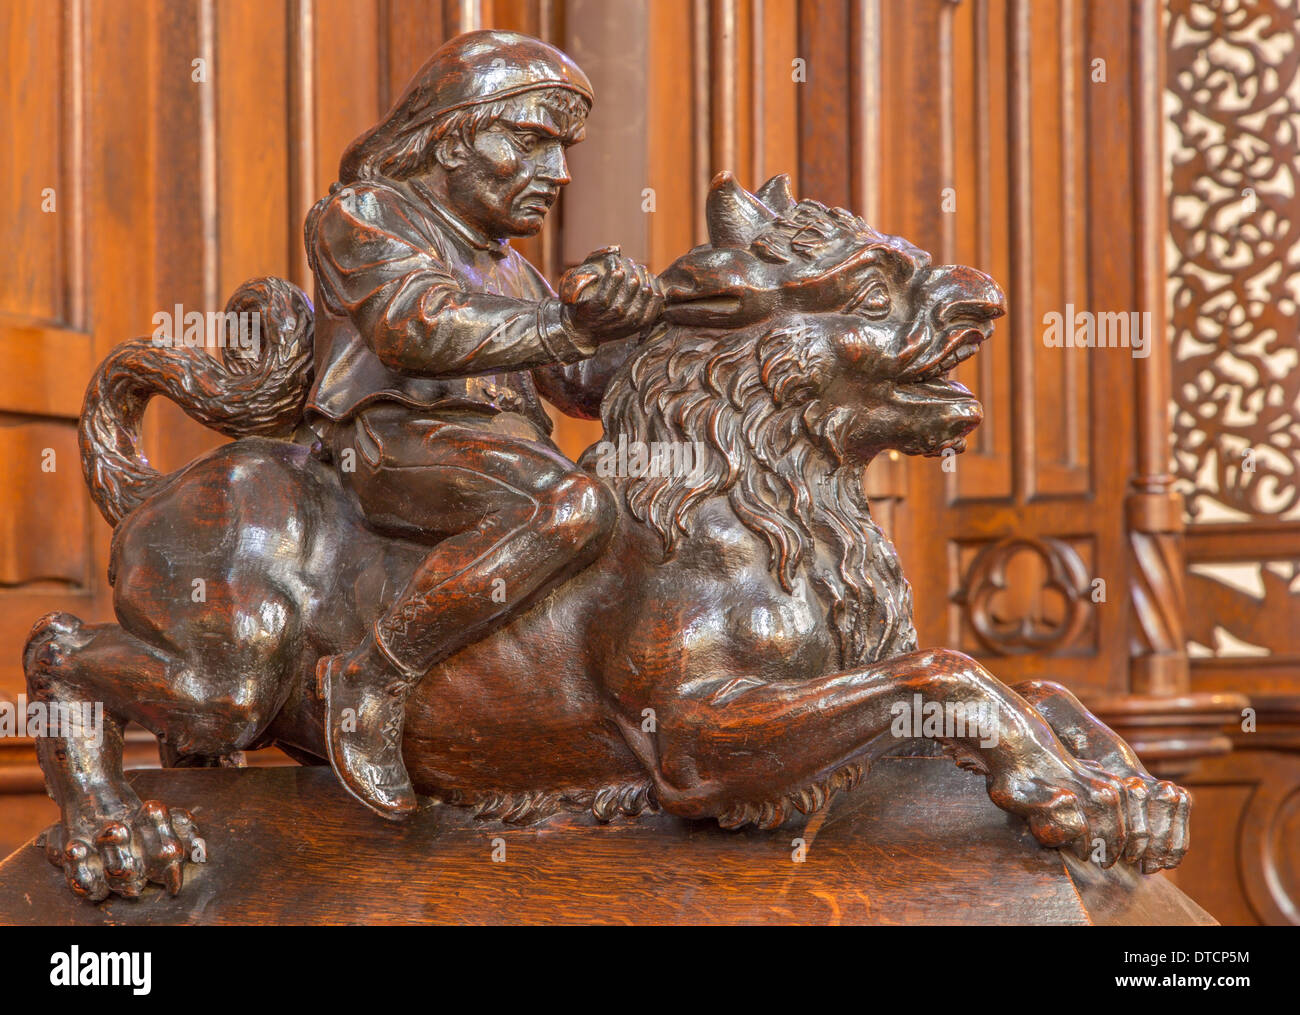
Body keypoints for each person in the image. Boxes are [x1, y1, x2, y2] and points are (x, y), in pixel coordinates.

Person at [304, 30, 661, 817]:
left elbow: (579, 386)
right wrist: (565, 322)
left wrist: (633, 324)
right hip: (395, 444)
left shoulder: (504, 259)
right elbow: (416, 325)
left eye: (562, 149)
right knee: (568, 505)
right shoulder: (365, 214)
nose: (558, 172)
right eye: (532, 142)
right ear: (453, 135)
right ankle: (371, 677)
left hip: (500, 452)